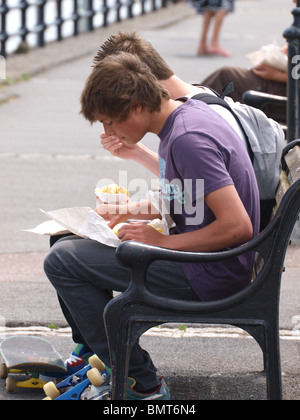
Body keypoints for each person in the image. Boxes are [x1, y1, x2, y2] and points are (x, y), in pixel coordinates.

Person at [44, 51, 260, 399]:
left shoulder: (189, 139)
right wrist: (130, 211)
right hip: (205, 261)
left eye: (109, 121)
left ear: (136, 106)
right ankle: (105, 357)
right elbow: (190, 199)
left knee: (62, 262)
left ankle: (141, 382)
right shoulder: (185, 114)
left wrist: (158, 242)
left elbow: (238, 228)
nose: (107, 131)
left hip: (209, 273)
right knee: (61, 241)